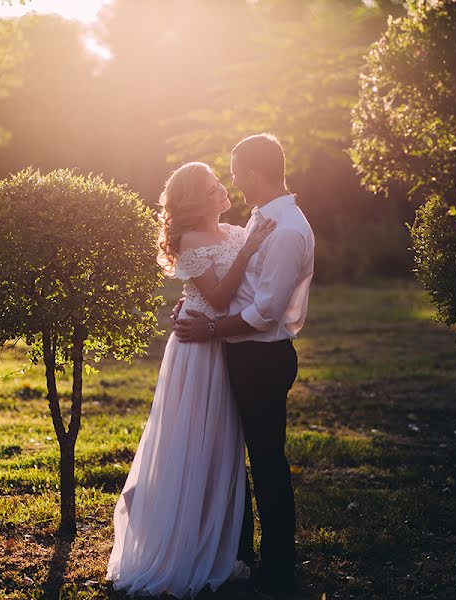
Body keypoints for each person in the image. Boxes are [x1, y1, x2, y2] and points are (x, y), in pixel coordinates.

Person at [106, 161, 275, 598]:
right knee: (191, 439)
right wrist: (246, 251)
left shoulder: (237, 232)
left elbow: (248, 280)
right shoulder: (190, 240)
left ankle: (220, 540)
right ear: (196, 199)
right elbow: (217, 296)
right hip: (198, 351)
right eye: (214, 185)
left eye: (222, 182)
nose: (224, 189)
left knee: (222, 444)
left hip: (226, 345)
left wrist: (251, 246)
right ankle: (175, 535)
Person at [175, 134, 315, 597]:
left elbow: (266, 312)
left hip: (262, 357)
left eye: (235, 174)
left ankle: (278, 565)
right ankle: (238, 553)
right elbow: (225, 276)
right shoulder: (261, 218)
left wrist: (212, 329)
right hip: (238, 356)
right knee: (231, 455)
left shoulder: (288, 229)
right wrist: (193, 305)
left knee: (267, 460)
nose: (232, 183)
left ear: (253, 174)